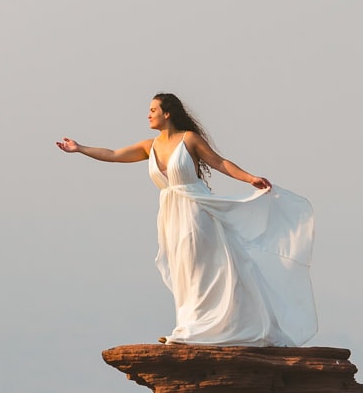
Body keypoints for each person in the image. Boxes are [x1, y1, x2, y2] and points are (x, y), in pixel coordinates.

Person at [57, 92, 316, 346]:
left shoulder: (189, 139)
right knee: (182, 269)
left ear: (167, 113)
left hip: (195, 210)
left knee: (200, 267)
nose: (148, 114)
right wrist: (79, 149)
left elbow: (219, 162)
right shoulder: (151, 146)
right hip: (170, 215)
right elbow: (113, 154)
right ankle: (191, 325)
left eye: (153, 110)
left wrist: (250, 178)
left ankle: (203, 328)